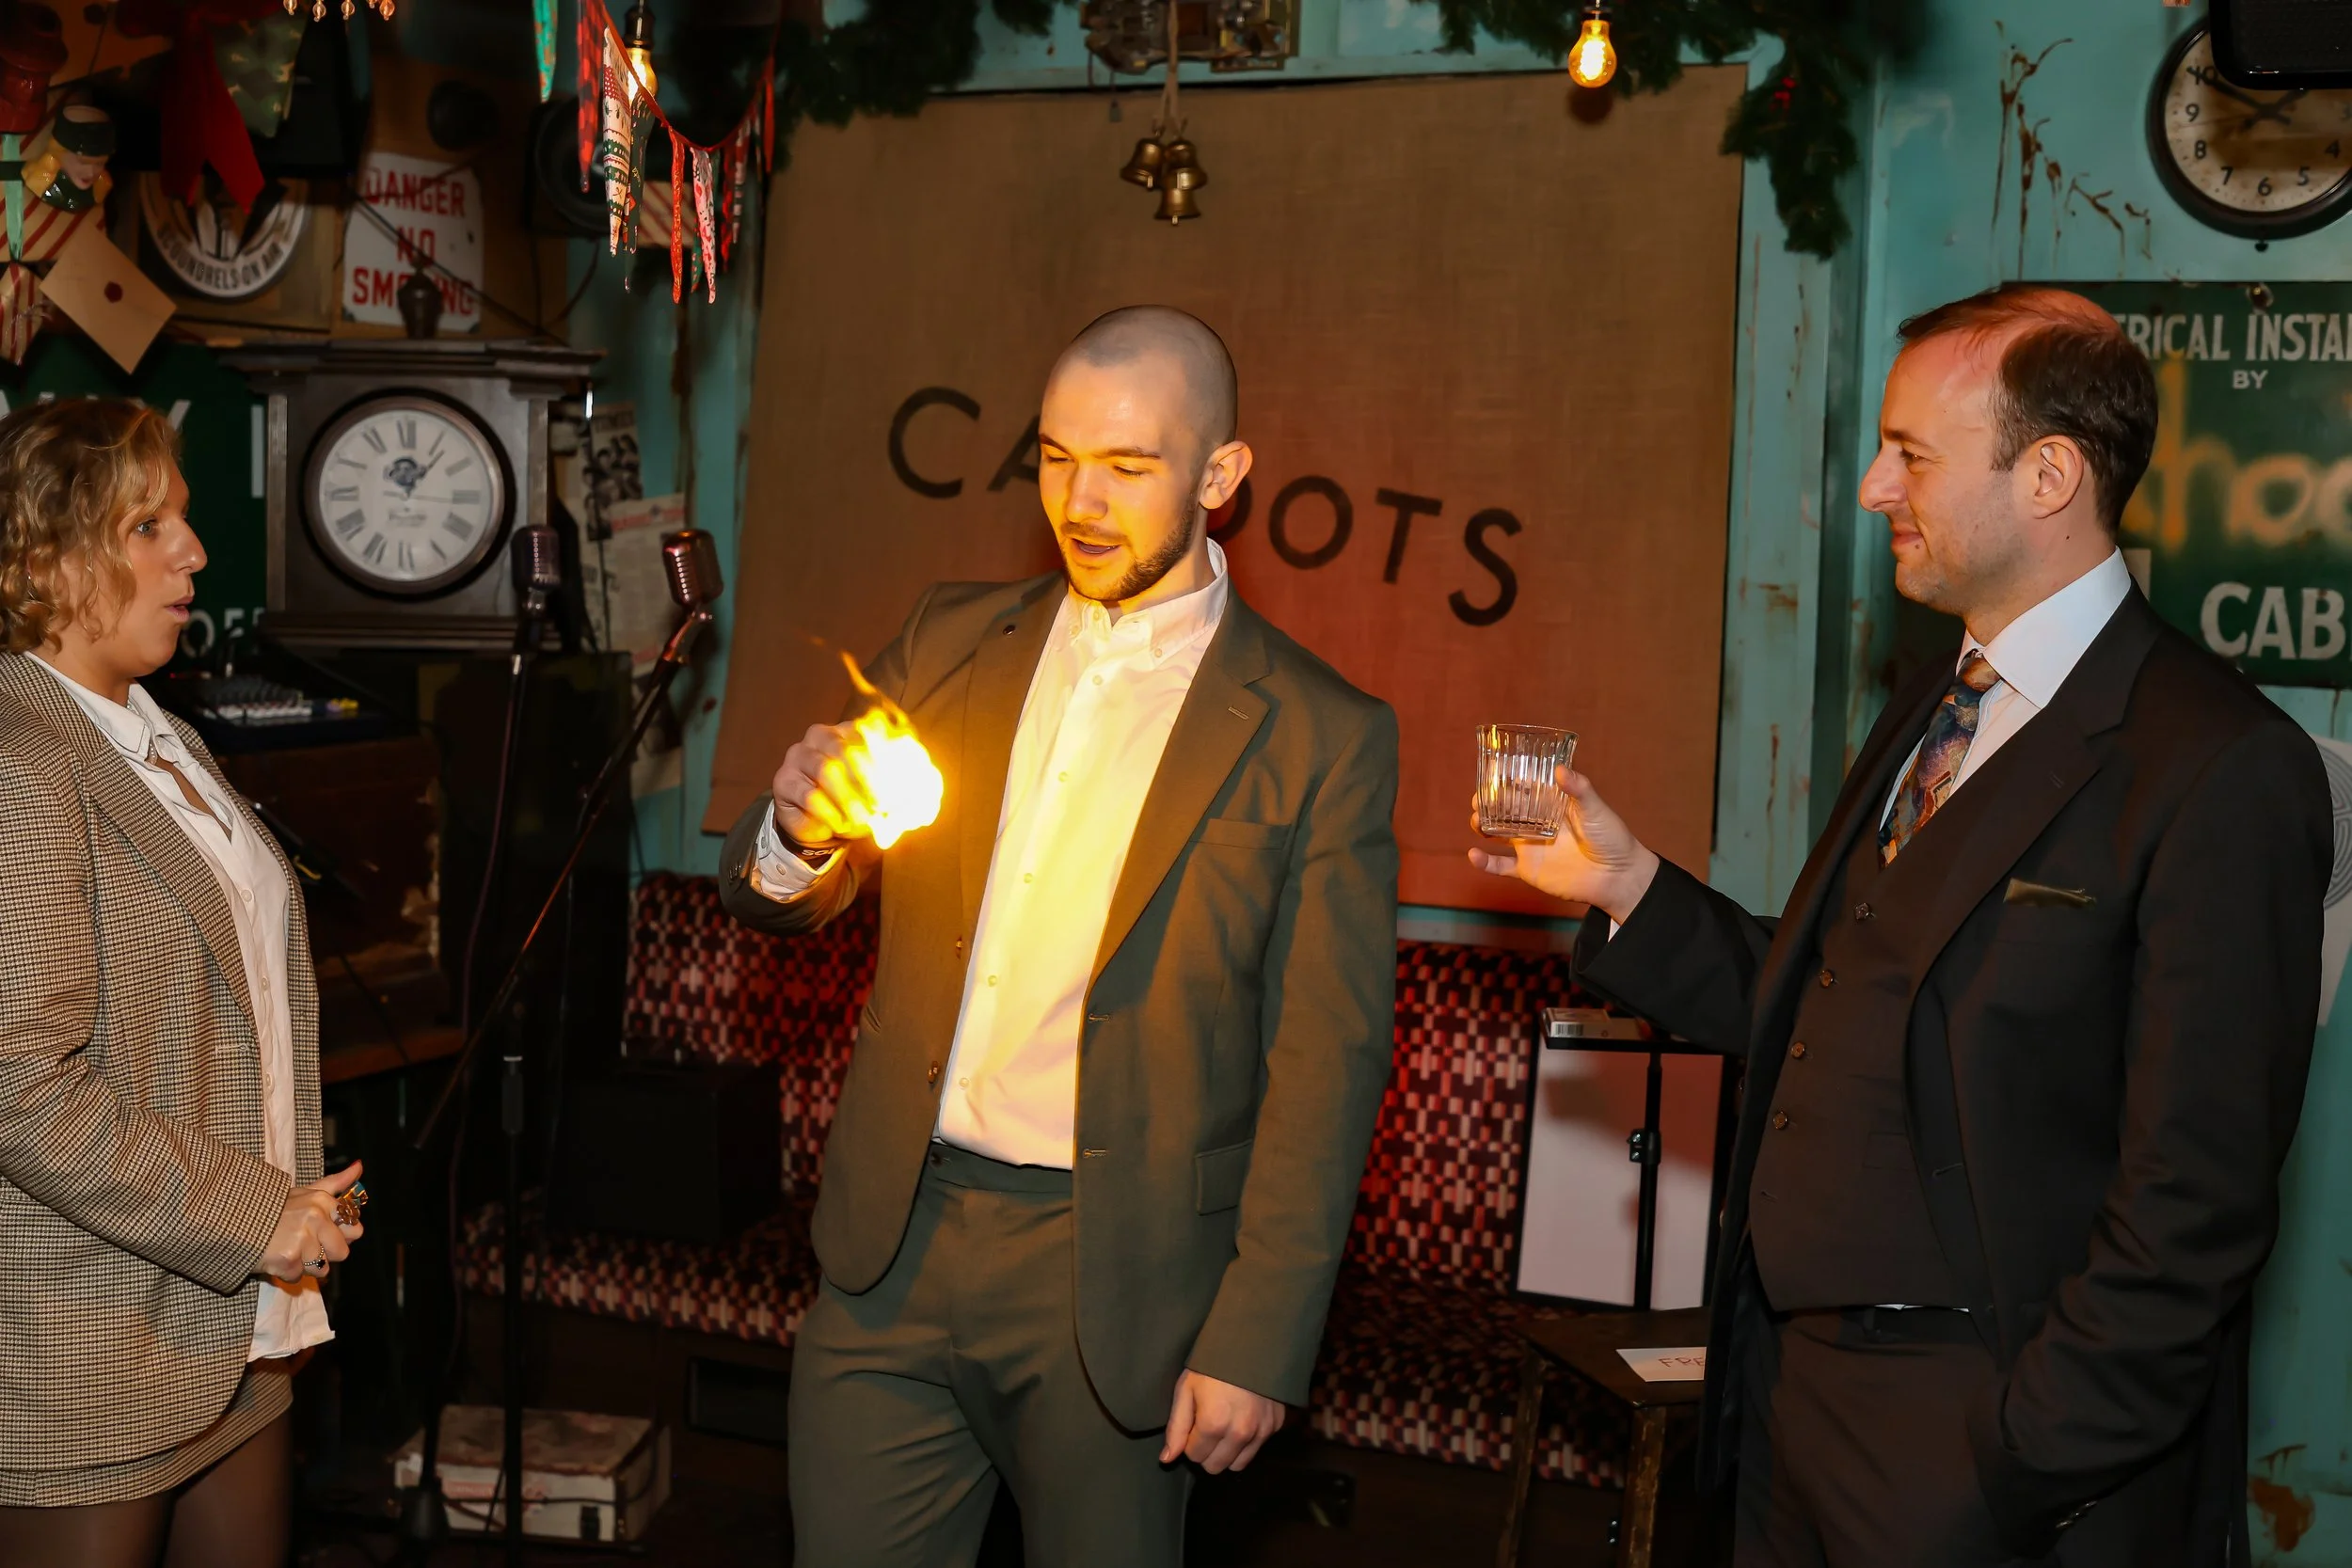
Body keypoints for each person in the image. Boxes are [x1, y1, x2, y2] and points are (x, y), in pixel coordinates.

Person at [1476, 284, 2329, 1568]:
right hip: (1792, 1403)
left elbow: (2194, 1201)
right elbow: (1848, 998)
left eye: (1910, 453)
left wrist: (2022, 1455)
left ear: (2048, 475)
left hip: (1985, 1455)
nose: (1874, 486)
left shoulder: (2217, 763)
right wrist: (1629, 885)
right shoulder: (1944, 697)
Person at [719, 306, 1400, 1566]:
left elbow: (1328, 1064)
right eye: (1054, 457)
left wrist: (1258, 1336)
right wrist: (798, 828)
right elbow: (778, 895)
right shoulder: (948, 636)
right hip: (891, 1249)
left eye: (1129, 467)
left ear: (1221, 476)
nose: (1081, 500)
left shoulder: (1320, 733)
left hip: (1122, 1278)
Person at [0, 400, 365, 1568]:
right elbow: (22, 1090)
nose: (194, 553)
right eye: (148, 522)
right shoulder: (21, 761)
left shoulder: (158, 735)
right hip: (92, 1348)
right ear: (51, 555)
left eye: (186, 520)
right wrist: (255, 1211)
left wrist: (288, 1209)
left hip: (228, 1335)